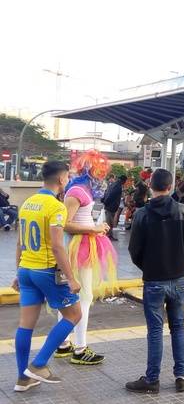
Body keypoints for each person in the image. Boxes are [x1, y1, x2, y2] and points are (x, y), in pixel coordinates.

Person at [12, 161, 83, 392]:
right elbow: (56, 246)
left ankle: (23, 378)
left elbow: (20, 243)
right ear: (62, 180)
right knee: (74, 314)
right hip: (46, 270)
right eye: (68, 177)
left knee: (25, 325)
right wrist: (71, 277)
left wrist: (17, 272)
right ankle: (39, 364)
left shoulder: (27, 203)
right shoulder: (56, 207)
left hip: (26, 271)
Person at [126, 168, 184, 394]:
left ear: (151, 187)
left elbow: (134, 250)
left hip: (154, 279)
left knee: (155, 330)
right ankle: (181, 376)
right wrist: (179, 263)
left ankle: (152, 379)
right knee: (178, 326)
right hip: (179, 278)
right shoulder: (183, 210)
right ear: (171, 186)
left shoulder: (141, 214)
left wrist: (150, 266)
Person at [55, 150, 117, 365]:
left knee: (72, 296)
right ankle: (80, 348)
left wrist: (96, 228)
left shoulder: (80, 189)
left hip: (82, 245)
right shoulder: (78, 191)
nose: (102, 176)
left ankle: (63, 344)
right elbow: (65, 223)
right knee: (84, 297)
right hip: (79, 247)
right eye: (100, 172)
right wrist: (94, 229)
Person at [102, 175, 127, 241]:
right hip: (111, 206)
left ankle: (109, 235)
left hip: (109, 205)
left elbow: (107, 192)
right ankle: (109, 235)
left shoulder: (114, 184)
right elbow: (111, 195)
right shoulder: (118, 186)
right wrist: (106, 202)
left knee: (109, 221)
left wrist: (104, 201)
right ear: (123, 181)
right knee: (109, 222)